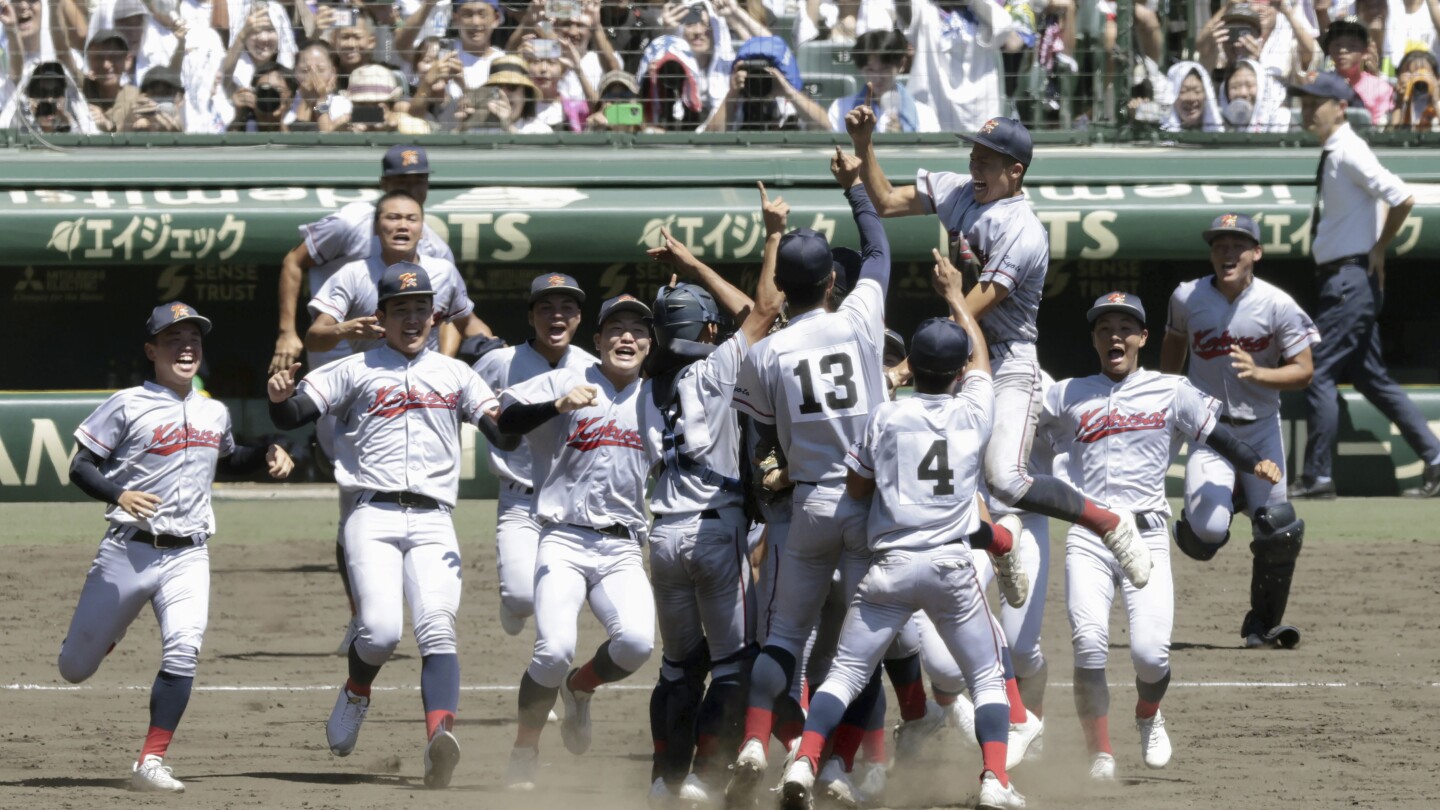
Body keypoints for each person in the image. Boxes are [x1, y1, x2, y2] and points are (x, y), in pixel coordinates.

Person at [848, 108, 1153, 587]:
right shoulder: (960, 192)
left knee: (1006, 478)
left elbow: (971, 309)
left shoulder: (1023, 229)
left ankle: (1109, 521)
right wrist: (865, 142)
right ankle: (1001, 541)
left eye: (988, 160)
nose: (975, 166)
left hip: (1008, 361)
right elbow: (884, 201)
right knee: (942, 482)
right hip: (958, 361)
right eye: (973, 154)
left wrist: (905, 368)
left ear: (1016, 172)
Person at [779, 266, 1028, 810]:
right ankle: (994, 781)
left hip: (888, 566)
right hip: (950, 567)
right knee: (986, 678)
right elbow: (982, 360)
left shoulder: (885, 417)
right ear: (958, 369)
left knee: (843, 674)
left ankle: (804, 759)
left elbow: (856, 485)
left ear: (911, 365)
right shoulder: (974, 410)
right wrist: (957, 299)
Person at [267, 264, 509, 790]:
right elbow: (292, 416)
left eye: (421, 308)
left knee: (437, 627)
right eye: (401, 309)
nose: (413, 318)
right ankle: (357, 689)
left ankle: (438, 737)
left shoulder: (456, 374)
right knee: (379, 632)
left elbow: (503, 432)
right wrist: (280, 395)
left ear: (435, 315)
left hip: (434, 519)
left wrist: (543, 404)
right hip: (370, 513)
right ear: (380, 316)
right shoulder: (354, 369)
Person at [1041, 291, 1284, 781]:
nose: (1116, 335)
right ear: (1093, 338)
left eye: (1126, 327)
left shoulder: (1171, 390)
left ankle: (1148, 714)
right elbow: (1020, 424)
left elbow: (1216, 433)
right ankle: (1101, 754)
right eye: (1105, 327)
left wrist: (1252, 462)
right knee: (1089, 644)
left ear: (1143, 338)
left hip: (1147, 533)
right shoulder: (1066, 392)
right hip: (1089, 533)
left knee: (1150, 655)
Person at [60, 302, 293, 793]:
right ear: (152, 350)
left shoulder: (213, 409)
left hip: (189, 553)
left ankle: (150, 761)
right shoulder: (128, 403)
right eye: (173, 339)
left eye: (193, 339)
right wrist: (118, 493)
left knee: (184, 650)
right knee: (74, 668)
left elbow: (227, 461)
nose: (186, 347)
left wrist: (267, 451)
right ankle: (109, 628)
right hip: (128, 550)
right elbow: (80, 467)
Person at [724, 146, 897, 806]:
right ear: (831, 280)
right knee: (860, 654)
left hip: (808, 506)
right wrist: (855, 187)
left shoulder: (764, 354)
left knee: (784, 639)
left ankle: (754, 741)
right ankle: (824, 765)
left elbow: (763, 436)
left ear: (783, 290)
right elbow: (878, 250)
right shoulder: (858, 317)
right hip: (870, 505)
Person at [640, 182, 786, 806]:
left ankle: (660, 780)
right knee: (732, 664)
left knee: (677, 668)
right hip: (712, 529)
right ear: (703, 326)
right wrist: (770, 233)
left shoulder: (641, 387)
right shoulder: (715, 368)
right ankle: (701, 775)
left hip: (661, 534)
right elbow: (767, 307)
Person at [498, 294, 658, 791]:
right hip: (562, 539)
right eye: (616, 328)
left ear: (651, 345)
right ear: (598, 341)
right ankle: (524, 752)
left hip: (623, 546)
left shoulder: (657, 398)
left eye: (638, 329)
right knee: (553, 650)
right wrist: (556, 404)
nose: (626, 337)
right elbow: (505, 424)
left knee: (635, 644)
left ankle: (580, 687)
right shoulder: (566, 381)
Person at [1161, 213, 1318, 649]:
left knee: (1280, 530)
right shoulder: (1187, 297)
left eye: (1237, 246)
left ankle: (1261, 627)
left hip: (1261, 430)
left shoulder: (1278, 304)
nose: (1228, 254)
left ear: (1256, 253)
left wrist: (1260, 374)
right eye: (1219, 246)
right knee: (1206, 537)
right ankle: (1213, 510)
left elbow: (1304, 370)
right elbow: (1172, 353)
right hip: (1209, 432)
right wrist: (1162, 404)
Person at [1289, 70, 1440, 499]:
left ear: (1339, 108)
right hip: (1348, 280)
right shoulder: (1339, 150)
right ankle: (1436, 458)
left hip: (1348, 281)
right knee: (1373, 379)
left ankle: (1317, 476)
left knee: (1316, 373)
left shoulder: (1349, 150)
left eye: (1315, 102)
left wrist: (1379, 248)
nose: (1306, 109)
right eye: (1304, 101)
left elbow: (1402, 196)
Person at [472, 272, 598, 638]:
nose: (556, 315)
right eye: (546, 307)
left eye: (566, 307)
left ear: (578, 317)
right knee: (522, 597)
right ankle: (515, 603)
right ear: (530, 316)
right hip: (519, 498)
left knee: (559, 597)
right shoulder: (500, 362)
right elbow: (467, 399)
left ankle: (553, 657)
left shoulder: (592, 367)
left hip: (570, 502)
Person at [304, 190, 474, 358]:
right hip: (373, 378)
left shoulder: (444, 271)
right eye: (393, 218)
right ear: (376, 227)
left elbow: (467, 324)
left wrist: (494, 347)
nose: (402, 226)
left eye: (411, 219)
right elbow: (313, 340)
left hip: (427, 378)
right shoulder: (352, 274)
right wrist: (343, 330)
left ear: (422, 230)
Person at [899, 0, 1014, 133]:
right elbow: (905, 14)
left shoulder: (983, 9)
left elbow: (1004, 26)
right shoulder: (924, 9)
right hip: (935, 109)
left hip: (979, 112)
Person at [825, 29, 941, 134]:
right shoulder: (841, 110)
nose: (877, 77)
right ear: (861, 69)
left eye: (885, 69)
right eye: (870, 70)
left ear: (901, 65)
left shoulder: (925, 115)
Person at [1325, 16, 1394, 124]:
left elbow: (1381, 129)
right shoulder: (1321, 85)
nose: (1342, 50)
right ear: (1329, 49)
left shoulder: (1380, 87)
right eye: (1337, 45)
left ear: (1366, 52)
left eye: (1351, 46)